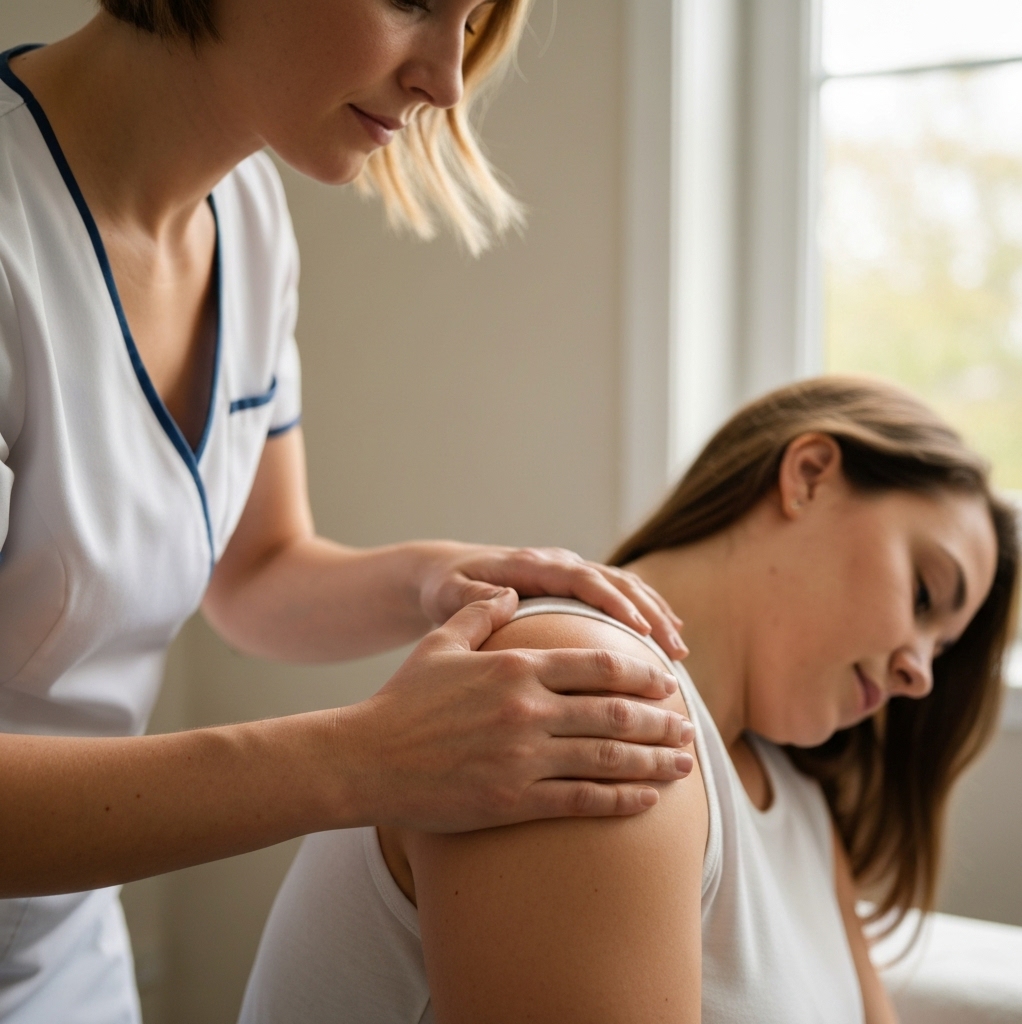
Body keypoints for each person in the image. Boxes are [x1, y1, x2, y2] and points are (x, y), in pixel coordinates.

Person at [0, 1, 699, 1020]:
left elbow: (259, 574)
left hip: (66, 961)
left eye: (472, 22)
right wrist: (369, 759)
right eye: (414, 2)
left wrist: (440, 575)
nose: (448, 82)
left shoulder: (245, 219)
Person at [239, 375, 1020, 1024]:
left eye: (943, 651)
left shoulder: (801, 802)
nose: (920, 675)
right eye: (924, 592)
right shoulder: (576, 696)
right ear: (808, 476)